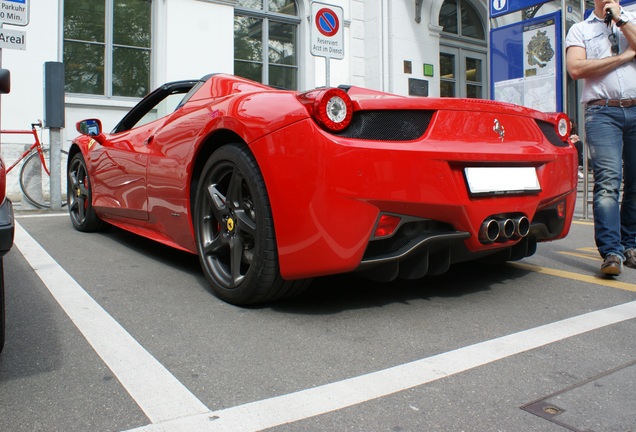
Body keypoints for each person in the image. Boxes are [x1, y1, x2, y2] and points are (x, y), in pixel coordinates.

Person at [565, 0, 636, 276]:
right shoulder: (579, 29)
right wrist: (625, 56)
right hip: (602, 112)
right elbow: (576, 69)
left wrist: (620, 20)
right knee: (608, 181)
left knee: (635, 183)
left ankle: (630, 245)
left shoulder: (630, 19)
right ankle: (611, 252)